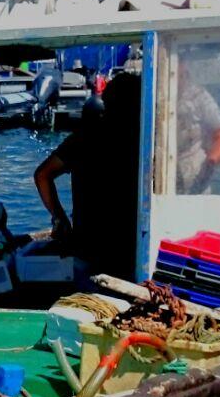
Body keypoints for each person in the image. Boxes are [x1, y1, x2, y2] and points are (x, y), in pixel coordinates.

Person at [34, 72, 143, 278]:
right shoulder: (144, 140)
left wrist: (61, 219)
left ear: (106, 101)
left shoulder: (84, 137)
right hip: (132, 246)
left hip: (88, 246)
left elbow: (42, 175)